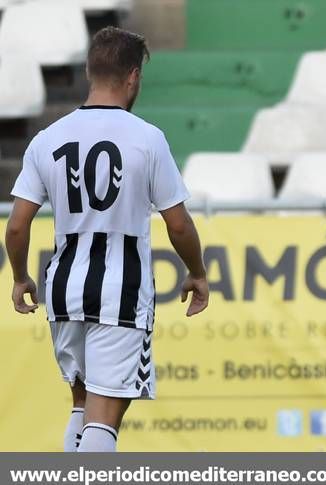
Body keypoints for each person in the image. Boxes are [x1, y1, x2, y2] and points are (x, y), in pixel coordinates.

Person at [4, 26, 209, 452]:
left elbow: (18, 226)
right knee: (106, 415)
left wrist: (21, 277)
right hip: (120, 290)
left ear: (89, 71)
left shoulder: (47, 139)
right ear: (133, 76)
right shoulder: (147, 138)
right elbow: (179, 225)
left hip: (64, 288)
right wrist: (198, 273)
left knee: (81, 404)